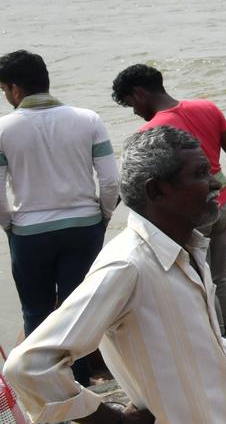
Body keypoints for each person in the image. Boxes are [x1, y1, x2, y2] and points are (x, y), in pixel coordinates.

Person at [3, 126, 226, 424]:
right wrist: (115, 421)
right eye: (199, 174)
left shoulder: (190, 248)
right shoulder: (127, 265)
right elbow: (28, 366)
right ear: (156, 190)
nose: (214, 183)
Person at [0, 50, 117, 387]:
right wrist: (102, 215)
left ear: (16, 90)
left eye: (5, 90)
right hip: (84, 227)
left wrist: (10, 223)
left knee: (36, 312)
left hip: (29, 232)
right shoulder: (88, 119)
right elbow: (109, 181)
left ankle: (48, 386)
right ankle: (80, 379)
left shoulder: (4, 129)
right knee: (78, 309)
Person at [111, 63, 226, 337]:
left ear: (139, 93)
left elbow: (135, 184)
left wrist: (105, 211)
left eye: (131, 104)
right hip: (221, 203)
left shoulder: (150, 134)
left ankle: (217, 339)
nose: (136, 112)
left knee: (200, 280)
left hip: (188, 215)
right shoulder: (207, 108)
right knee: (220, 276)